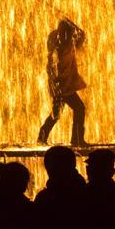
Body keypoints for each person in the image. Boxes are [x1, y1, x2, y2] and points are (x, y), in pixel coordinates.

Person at [38, 18, 89, 147]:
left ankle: (42, 136)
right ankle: (76, 139)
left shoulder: (59, 44)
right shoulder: (64, 46)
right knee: (79, 108)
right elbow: (81, 34)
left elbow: (81, 35)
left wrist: (68, 22)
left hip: (62, 86)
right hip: (63, 86)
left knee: (57, 113)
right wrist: (70, 22)